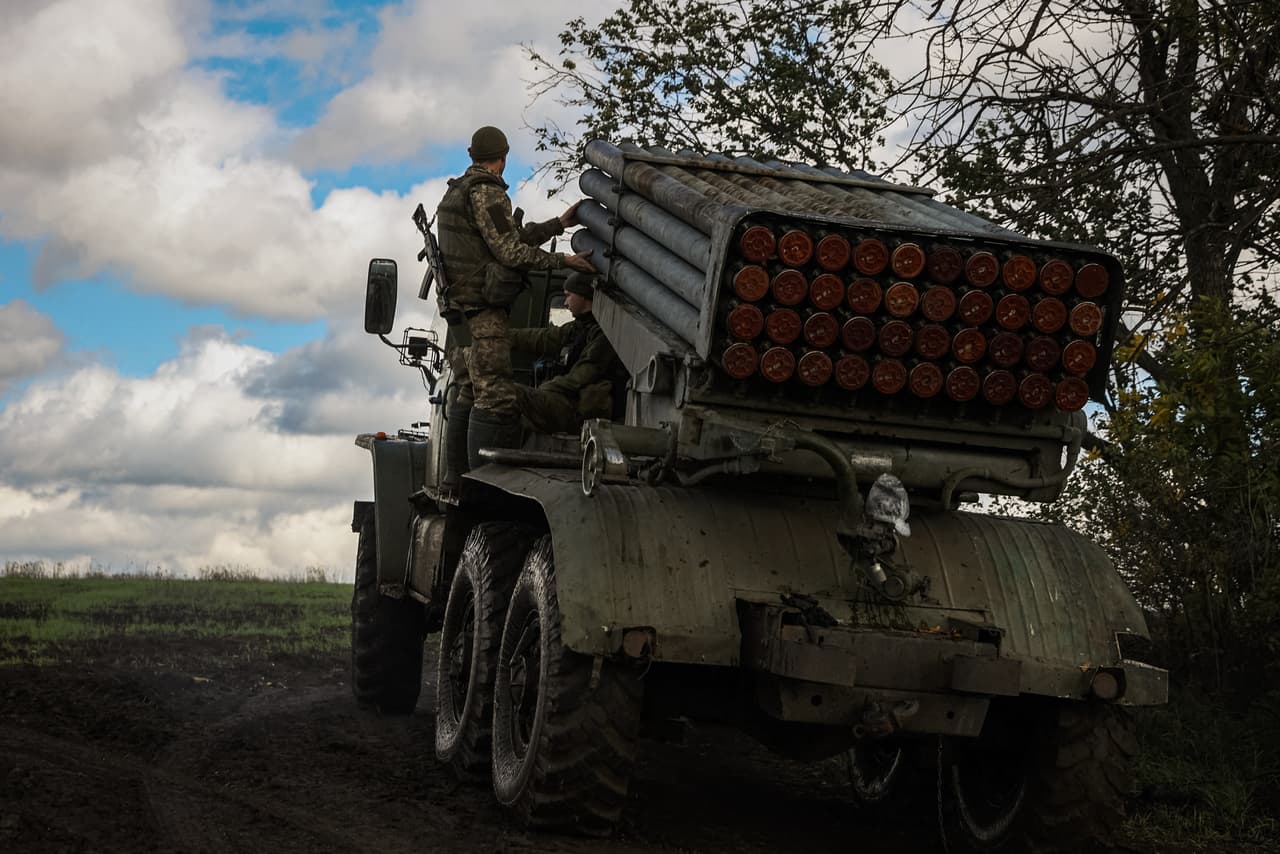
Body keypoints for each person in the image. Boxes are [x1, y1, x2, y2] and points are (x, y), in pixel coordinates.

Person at [435, 125, 596, 483]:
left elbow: (500, 239)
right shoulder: (487, 193)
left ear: (473, 154)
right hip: (483, 314)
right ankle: (482, 487)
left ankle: (455, 481)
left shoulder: (456, 192)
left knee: (467, 388)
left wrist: (556, 225)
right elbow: (508, 251)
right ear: (503, 158)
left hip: (462, 314)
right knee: (496, 399)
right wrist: (563, 262)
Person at [508, 272, 626, 435]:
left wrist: (545, 389)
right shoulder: (580, 327)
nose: (565, 302)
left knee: (506, 392)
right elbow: (544, 338)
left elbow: (582, 376)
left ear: (584, 297)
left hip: (578, 409)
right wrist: (505, 336)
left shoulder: (603, 334)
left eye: (569, 296)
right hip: (568, 401)